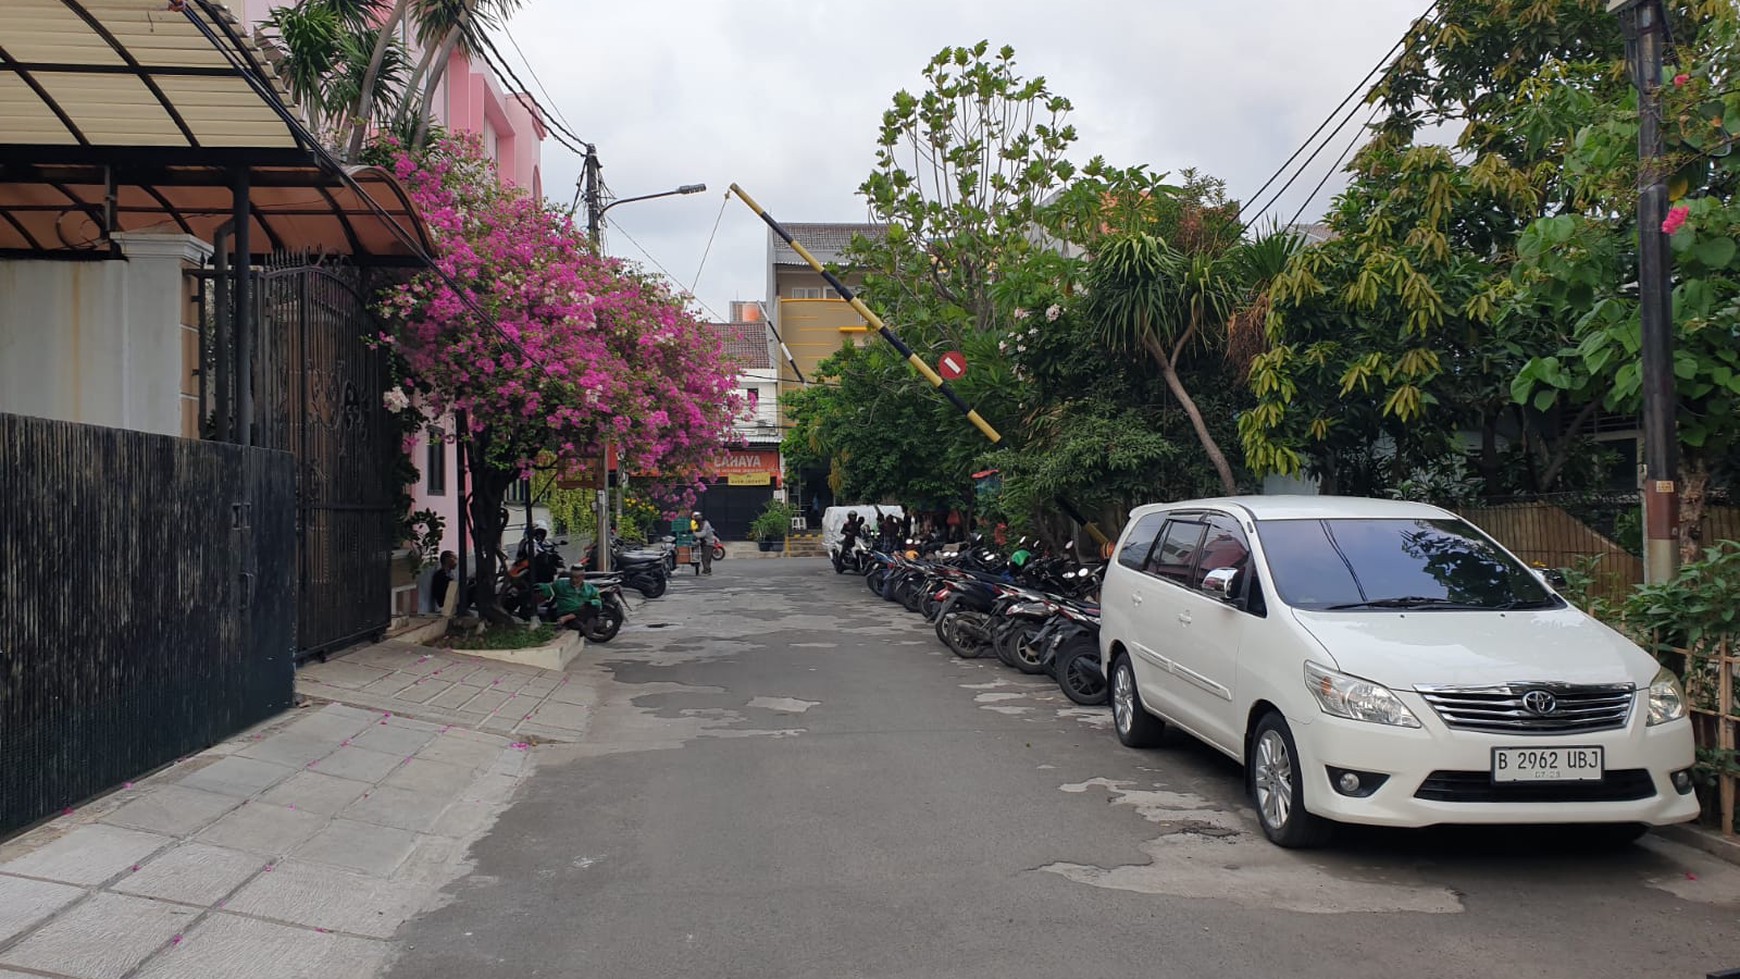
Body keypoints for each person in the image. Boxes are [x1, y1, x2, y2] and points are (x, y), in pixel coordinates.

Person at [541, 565, 600, 631]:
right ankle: (582, 626)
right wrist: (542, 588)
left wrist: (590, 602)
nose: (574, 580)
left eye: (577, 577)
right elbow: (548, 588)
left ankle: (571, 619)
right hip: (566, 611)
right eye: (572, 577)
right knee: (575, 623)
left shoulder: (589, 588)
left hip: (581, 612)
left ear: (583, 576)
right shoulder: (560, 584)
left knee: (594, 608)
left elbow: (598, 601)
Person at [691, 510, 717, 575]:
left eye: (697, 518)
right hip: (704, 542)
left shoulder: (705, 524)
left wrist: (694, 534)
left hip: (708, 543)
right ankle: (707, 569)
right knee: (705, 557)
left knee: (706, 558)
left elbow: (703, 534)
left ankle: (707, 570)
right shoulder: (700, 524)